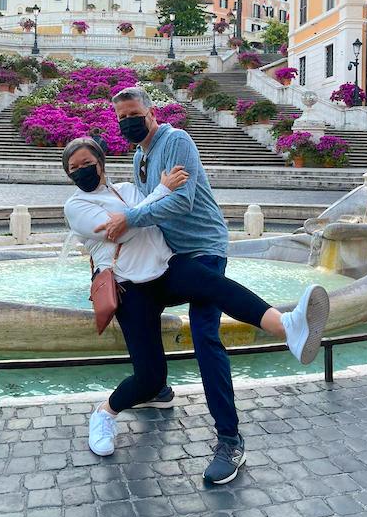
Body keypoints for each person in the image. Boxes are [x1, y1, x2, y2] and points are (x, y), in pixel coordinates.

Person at [63, 136, 330, 484]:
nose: (83, 171)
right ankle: (105, 411)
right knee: (149, 378)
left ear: (101, 161)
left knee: (214, 285)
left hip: (165, 271)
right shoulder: (76, 206)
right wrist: (157, 193)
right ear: (68, 175)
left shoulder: (126, 190)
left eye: (88, 163)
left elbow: (146, 220)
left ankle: (288, 326)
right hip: (130, 289)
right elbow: (121, 234)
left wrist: (138, 213)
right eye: (74, 169)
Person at [95, 85, 299, 483]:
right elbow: (149, 204)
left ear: (151, 112)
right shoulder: (140, 157)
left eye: (133, 114)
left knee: (205, 336)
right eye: (120, 119)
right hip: (169, 259)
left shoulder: (176, 141)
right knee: (139, 308)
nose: (128, 123)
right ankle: (154, 387)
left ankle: (230, 440)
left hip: (204, 248)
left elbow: (180, 201)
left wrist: (130, 218)